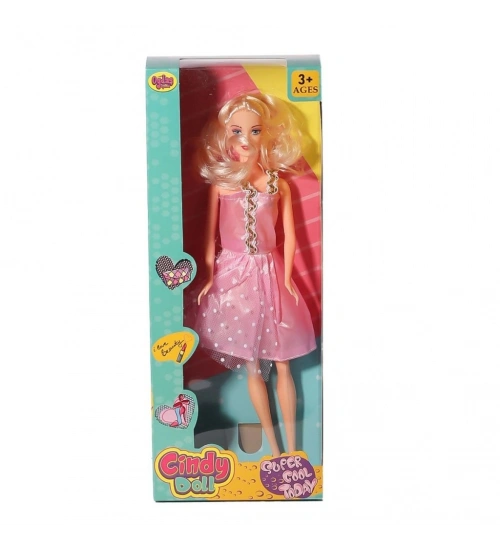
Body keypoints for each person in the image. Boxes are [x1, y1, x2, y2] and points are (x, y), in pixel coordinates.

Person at [194, 92, 316, 457]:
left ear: (268, 134)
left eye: (255, 130)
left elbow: (290, 236)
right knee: (253, 366)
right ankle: (274, 450)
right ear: (225, 135)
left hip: (271, 271)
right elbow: (209, 236)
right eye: (236, 131)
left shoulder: (279, 185)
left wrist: (289, 278)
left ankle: (293, 449)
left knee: (283, 363)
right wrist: (209, 276)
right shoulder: (222, 185)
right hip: (234, 277)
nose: (245, 139)